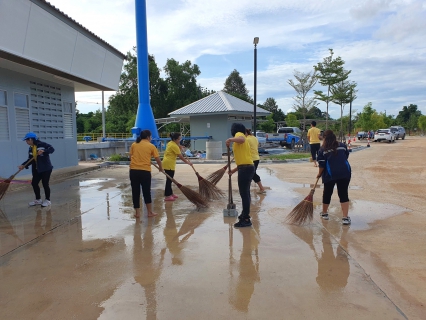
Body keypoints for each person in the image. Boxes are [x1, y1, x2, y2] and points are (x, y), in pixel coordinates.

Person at [316, 130, 352, 225]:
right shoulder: (343, 146)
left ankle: (324, 213)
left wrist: (319, 174)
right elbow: (345, 156)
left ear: (324, 138)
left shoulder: (322, 150)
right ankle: (345, 218)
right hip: (345, 173)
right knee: (343, 194)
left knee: (327, 193)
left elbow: (322, 165)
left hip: (330, 174)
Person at [226, 123, 255, 228]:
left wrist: (230, 139)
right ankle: (244, 215)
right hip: (247, 167)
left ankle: (246, 219)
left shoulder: (239, 135)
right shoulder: (240, 140)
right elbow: (242, 159)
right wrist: (233, 171)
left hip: (246, 168)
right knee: (246, 193)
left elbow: (241, 139)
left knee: (244, 194)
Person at [129, 129, 163, 218]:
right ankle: (149, 212)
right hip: (145, 172)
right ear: (148, 137)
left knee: (135, 192)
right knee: (146, 192)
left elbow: (131, 157)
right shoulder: (151, 146)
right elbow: (158, 160)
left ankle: (137, 213)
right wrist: (161, 168)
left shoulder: (134, 144)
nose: (151, 138)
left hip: (133, 171)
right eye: (151, 136)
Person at [19, 132, 55, 207]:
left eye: (27, 140)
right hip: (37, 169)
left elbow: (52, 149)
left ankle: (48, 200)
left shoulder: (42, 144)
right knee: (34, 183)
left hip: (46, 168)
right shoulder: (31, 148)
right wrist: (23, 165)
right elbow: (30, 159)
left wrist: (44, 151)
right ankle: (38, 200)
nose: (26, 142)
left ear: (31, 139)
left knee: (45, 184)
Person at [162, 132, 193, 201]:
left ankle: (171, 193)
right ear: (175, 139)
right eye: (179, 139)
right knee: (169, 180)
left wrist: (180, 146)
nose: (180, 140)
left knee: (170, 179)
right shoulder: (174, 146)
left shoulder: (171, 143)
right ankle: (167, 196)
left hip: (168, 162)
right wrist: (188, 162)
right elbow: (181, 156)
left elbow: (176, 147)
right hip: (169, 164)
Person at [245, 128, 266, 194]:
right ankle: (248, 189)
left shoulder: (247, 139)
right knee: (251, 174)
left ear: (245, 133)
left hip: (251, 159)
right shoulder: (254, 138)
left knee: (252, 174)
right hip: (256, 158)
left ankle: (262, 189)